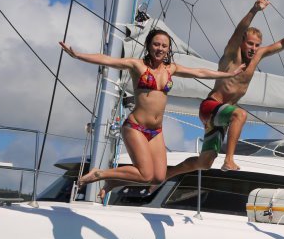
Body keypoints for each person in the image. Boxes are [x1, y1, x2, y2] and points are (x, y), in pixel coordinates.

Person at [59, 29, 245, 191]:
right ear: (149, 45)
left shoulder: (170, 69)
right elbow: (108, 60)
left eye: (164, 46)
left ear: (168, 49)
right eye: (156, 44)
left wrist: (228, 74)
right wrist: (79, 55)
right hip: (135, 127)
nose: (160, 49)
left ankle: (114, 182)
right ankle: (100, 174)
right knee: (146, 174)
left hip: (156, 131)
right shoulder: (137, 65)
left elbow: (200, 72)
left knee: (158, 177)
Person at [166, 0, 284, 175]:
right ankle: (229, 160)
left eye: (257, 45)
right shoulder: (232, 54)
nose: (253, 48)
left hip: (222, 116)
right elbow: (238, 31)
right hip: (211, 107)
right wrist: (254, 10)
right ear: (242, 43)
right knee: (240, 115)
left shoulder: (258, 55)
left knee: (205, 162)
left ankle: (167, 174)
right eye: (250, 44)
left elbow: (281, 44)